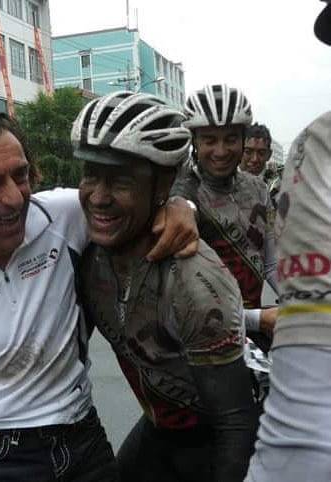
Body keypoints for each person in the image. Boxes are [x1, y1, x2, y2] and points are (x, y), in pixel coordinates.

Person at [0, 108, 198, 482]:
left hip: (84, 442)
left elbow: (136, 198)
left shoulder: (63, 216)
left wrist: (180, 206)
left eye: (20, 175)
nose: (14, 198)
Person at [73, 92, 256, 482]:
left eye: (121, 180)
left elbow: (235, 424)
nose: (99, 197)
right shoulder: (87, 251)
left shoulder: (193, 280)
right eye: (90, 174)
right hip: (160, 431)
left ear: (163, 185)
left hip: (215, 442)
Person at [245, 2, 331, 480]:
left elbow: (276, 264)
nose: (252, 158)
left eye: (259, 151)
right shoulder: (317, 152)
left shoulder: (270, 188)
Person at [173, 84, 279, 343]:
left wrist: (304, 300)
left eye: (230, 139)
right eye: (209, 140)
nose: (220, 151)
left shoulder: (258, 189)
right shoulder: (180, 196)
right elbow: (178, 298)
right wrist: (258, 319)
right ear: (194, 142)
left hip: (254, 331)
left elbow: (271, 263)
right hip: (203, 339)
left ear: (243, 139)